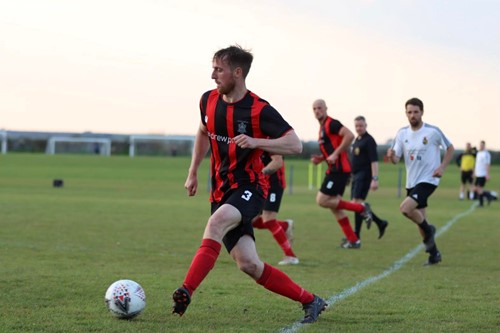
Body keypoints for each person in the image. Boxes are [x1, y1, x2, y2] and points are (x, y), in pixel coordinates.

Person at [173, 45, 326, 324]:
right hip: (220, 191)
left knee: (217, 223)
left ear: (238, 72)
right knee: (249, 264)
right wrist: (192, 171)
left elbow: (295, 144)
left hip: (251, 187)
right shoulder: (208, 100)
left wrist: (258, 141)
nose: (212, 75)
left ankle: (186, 290)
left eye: (219, 69)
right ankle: (311, 300)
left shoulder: (259, 109)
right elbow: (203, 131)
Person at [386, 97, 454, 265]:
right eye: (409, 112)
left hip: (429, 179)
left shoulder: (432, 132)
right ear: (406, 114)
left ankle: (429, 229)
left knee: (405, 208)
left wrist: (442, 167)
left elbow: (450, 148)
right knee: (420, 220)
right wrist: (391, 156)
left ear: (422, 112)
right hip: (412, 182)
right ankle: (434, 254)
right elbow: (396, 159)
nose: (413, 115)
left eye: (416, 112)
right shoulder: (402, 133)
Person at [310, 99, 373, 249]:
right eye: (314, 109)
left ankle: (361, 208)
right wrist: (322, 158)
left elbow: (349, 136)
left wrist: (336, 155)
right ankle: (353, 240)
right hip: (335, 169)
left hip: (339, 170)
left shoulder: (332, 123)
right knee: (335, 207)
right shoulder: (322, 128)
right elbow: (332, 149)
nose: (317, 111)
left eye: (319, 108)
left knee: (322, 200)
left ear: (326, 108)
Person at [252, 152, 299, 265]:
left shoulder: (271, 137)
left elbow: (277, 162)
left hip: (274, 184)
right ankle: (285, 225)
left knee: (269, 220)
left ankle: (291, 256)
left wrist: (260, 173)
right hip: (260, 184)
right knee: (251, 220)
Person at [350, 116, 388, 240]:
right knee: (356, 205)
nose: (358, 128)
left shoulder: (369, 140)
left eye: (361, 125)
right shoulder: (356, 140)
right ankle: (380, 223)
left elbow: (374, 161)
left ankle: (356, 235)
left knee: (357, 204)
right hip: (355, 176)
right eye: (356, 126)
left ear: (366, 125)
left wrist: (375, 178)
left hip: (364, 175)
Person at [474, 140, 491, 207]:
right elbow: (477, 164)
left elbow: (487, 164)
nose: (481, 146)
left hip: (483, 174)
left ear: (484, 146)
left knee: (480, 189)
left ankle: (481, 204)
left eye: (482, 145)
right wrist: (475, 172)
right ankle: (488, 196)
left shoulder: (486, 154)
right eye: (480, 145)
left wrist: (487, 174)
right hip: (478, 174)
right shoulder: (478, 153)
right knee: (475, 188)